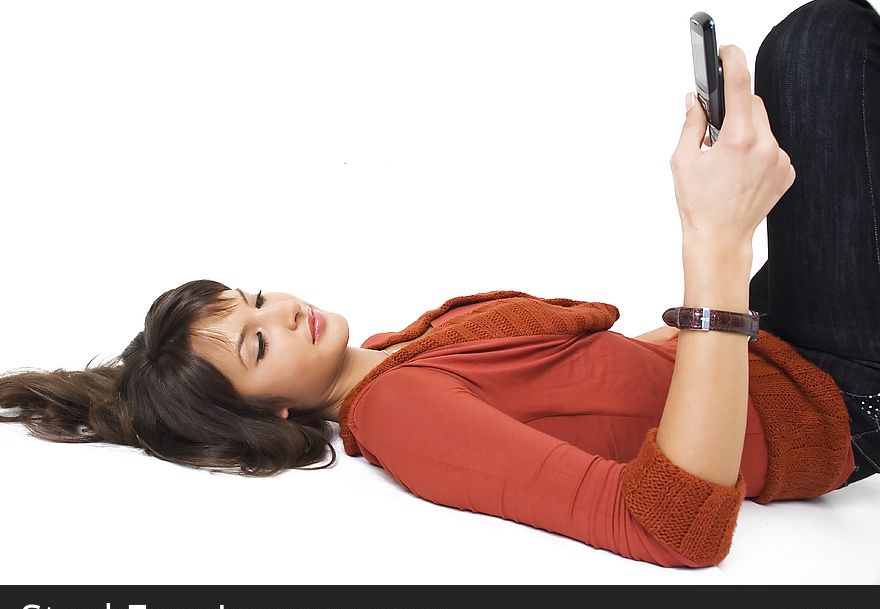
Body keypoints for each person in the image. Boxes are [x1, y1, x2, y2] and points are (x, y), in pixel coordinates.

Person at [1, 0, 878, 568]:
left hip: (778, 343)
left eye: (254, 297)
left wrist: (730, 294)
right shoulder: (401, 414)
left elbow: (609, 378)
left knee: (815, 69)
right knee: (819, 48)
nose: (282, 312)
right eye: (256, 343)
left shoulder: (392, 350)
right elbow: (670, 526)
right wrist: (714, 241)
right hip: (838, 398)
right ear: (266, 416)